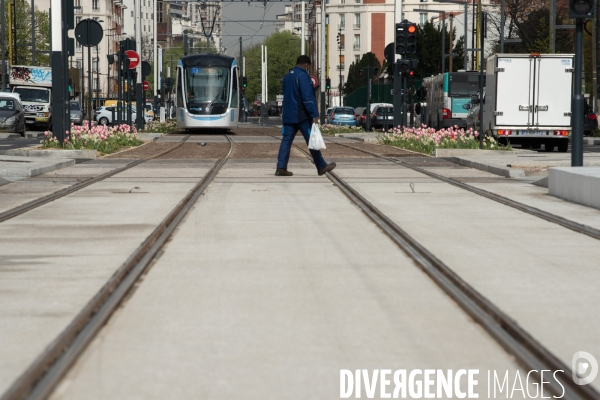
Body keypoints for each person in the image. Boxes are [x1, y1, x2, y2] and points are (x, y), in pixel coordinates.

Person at [275, 55, 336, 176]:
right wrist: (314, 114)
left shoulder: (287, 77)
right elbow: (307, 98)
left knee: (286, 140)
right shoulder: (303, 76)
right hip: (301, 115)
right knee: (311, 139)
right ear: (306, 65)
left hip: (288, 115)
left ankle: (281, 167)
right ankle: (321, 166)